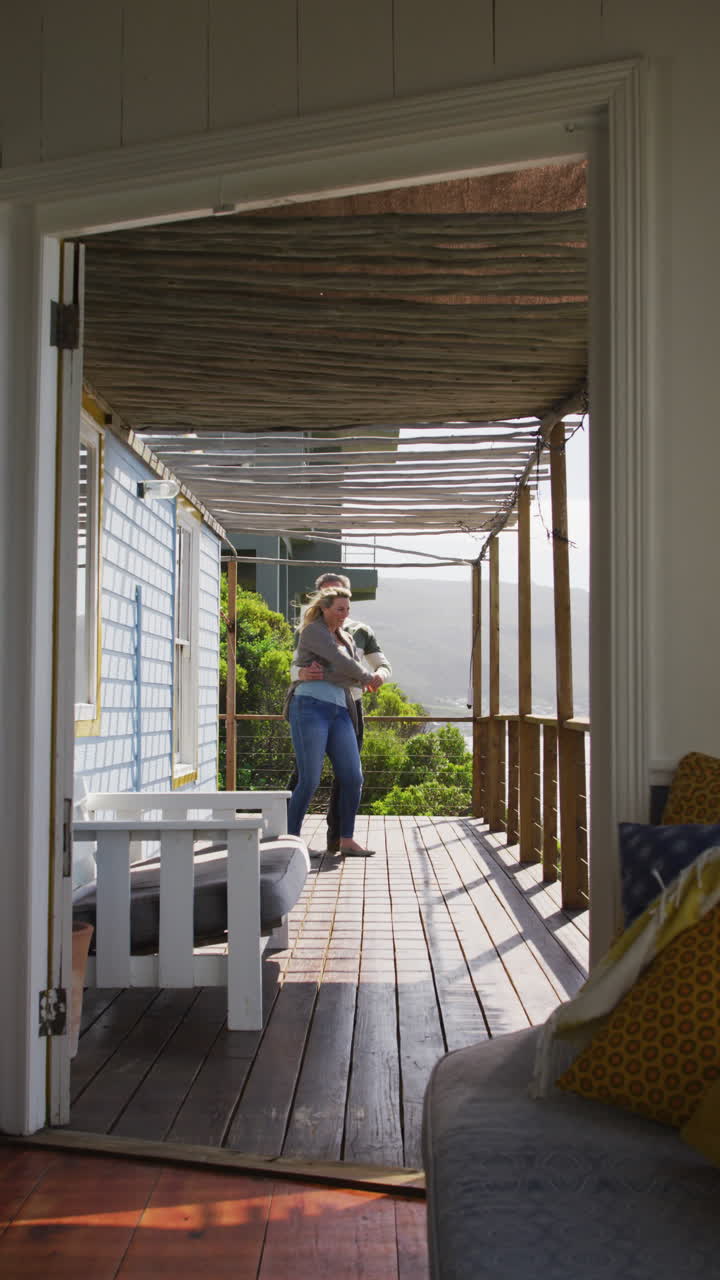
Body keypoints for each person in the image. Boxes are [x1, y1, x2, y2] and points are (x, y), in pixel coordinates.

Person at [293, 572, 392, 853]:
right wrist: (303, 672)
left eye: (347, 606)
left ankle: (341, 839)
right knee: (306, 777)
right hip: (312, 705)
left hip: (347, 707)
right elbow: (323, 664)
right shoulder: (309, 629)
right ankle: (289, 839)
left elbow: (374, 665)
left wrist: (377, 676)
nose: (344, 612)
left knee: (350, 776)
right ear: (322, 603)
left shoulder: (356, 632)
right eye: (338, 605)